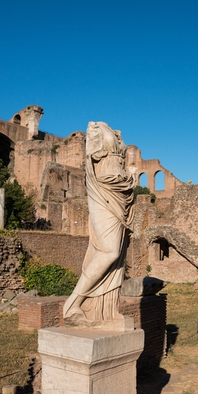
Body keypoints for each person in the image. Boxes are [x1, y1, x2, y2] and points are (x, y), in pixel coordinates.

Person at [63, 121, 135, 322]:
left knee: (118, 253)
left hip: (121, 191)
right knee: (109, 251)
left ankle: (106, 312)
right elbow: (92, 158)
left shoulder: (114, 132)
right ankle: (73, 304)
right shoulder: (96, 127)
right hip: (104, 188)